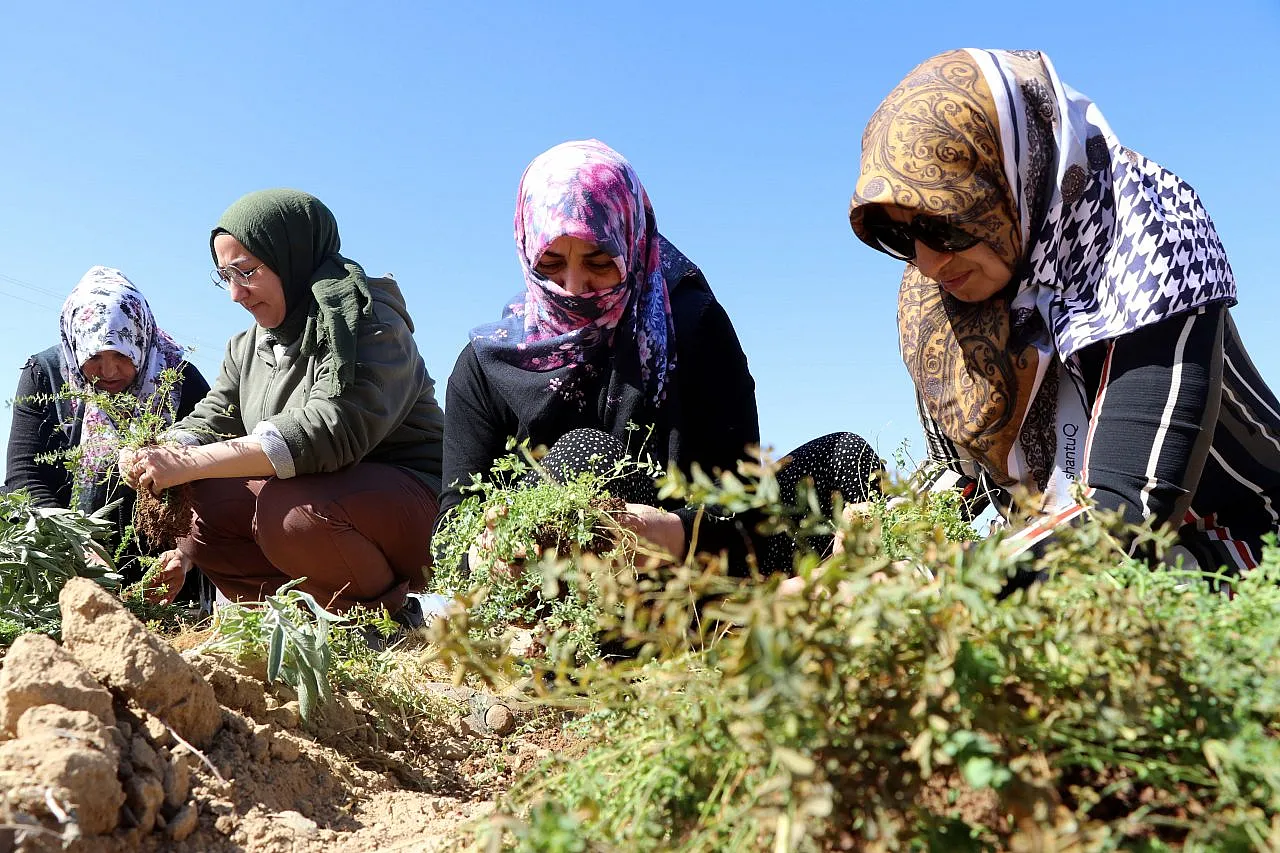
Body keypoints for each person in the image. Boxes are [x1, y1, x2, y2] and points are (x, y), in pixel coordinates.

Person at [848, 48, 1280, 577]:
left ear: (1010, 182)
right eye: (897, 235)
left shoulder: (1147, 237)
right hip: (1058, 561)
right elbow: (959, 477)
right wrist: (876, 545)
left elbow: (1125, 515)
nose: (929, 261)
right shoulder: (940, 298)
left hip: (1241, 547)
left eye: (944, 222)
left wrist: (921, 586)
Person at [441, 139, 881, 574]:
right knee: (582, 455)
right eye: (551, 264)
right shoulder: (490, 365)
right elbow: (451, 538)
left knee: (844, 458)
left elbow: (742, 497)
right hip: (561, 597)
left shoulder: (692, 326)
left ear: (631, 243)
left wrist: (672, 532)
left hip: (695, 566)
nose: (574, 287)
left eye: (598, 261)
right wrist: (489, 555)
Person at [119, 189, 446, 622]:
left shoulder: (365, 319)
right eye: (225, 277)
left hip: (412, 508)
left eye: (247, 272)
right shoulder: (246, 347)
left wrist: (194, 461)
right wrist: (165, 450)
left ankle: (382, 616)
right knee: (202, 507)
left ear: (291, 256)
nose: (236, 294)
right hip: (319, 502)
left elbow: (331, 429)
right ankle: (301, 618)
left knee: (289, 512)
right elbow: (214, 416)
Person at [4, 266, 211, 592]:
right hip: (65, 561)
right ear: (75, 347)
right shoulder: (45, 375)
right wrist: (76, 544)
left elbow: (216, 477)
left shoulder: (179, 380)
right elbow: (23, 476)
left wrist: (185, 554)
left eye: (122, 354)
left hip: (162, 577)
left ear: (142, 340)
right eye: (95, 355)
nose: (109, 370)